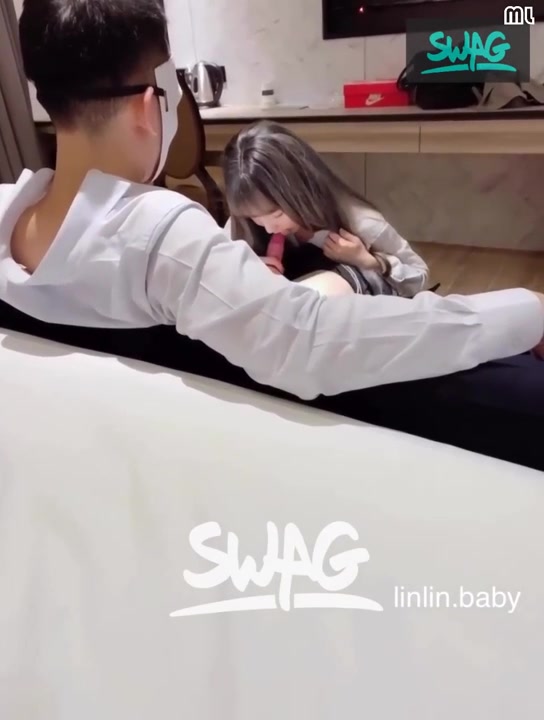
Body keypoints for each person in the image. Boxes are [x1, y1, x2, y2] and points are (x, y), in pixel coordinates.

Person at [0, 0, 543, 470]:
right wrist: (528, 310)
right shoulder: (161, 233)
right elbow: (312, 343)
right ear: (150, 107)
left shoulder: (9, 210)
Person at [222, 120, 428, 299]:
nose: (268, 228)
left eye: (277, 214)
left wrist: (370, 261)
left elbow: (420, 277)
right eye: (255, 218)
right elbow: (220, 273)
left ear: (302, 189)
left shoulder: (360, 222)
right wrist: (250, 268)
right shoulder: (245, 220)